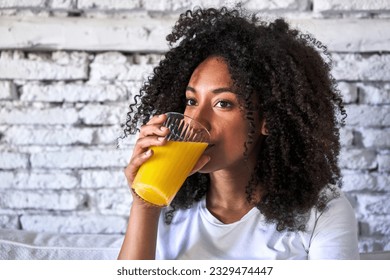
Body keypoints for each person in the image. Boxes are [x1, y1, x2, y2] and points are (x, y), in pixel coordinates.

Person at [118, 6, 360, 260]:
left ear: (268, 119)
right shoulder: (167, 205)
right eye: (191, 101)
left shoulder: (322, 211)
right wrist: (145, 207)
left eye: (223, 103)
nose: (196, 120)